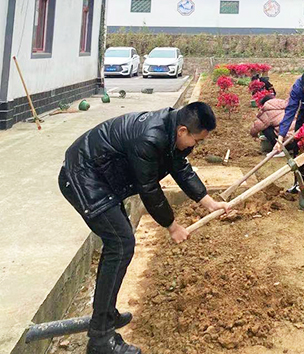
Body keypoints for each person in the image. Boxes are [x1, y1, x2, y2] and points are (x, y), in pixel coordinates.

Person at [58, 102, 229, 354]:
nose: (196, 146)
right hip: (83, 176)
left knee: (119, 244)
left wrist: (209, 202)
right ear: (183, 131)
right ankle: (101, 339)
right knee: (121, 244)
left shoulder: (171, 131)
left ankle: (106, 312)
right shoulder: (150, 138)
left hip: (99, 176)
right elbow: (148, 188)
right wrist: (172, 226)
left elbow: (181, 168)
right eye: (197, 140)